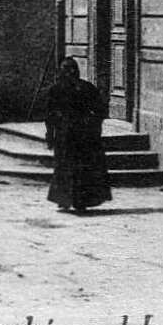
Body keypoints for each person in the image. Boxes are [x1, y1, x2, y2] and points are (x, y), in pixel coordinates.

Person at [45, 57, 112, 213]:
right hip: (73, 136)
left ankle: (71, 200)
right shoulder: (58, 90)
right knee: (71, 169)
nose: (71, 73)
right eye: (68, 70)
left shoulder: (80, 89)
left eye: (71, 69)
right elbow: (50, 116)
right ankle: (70, 200)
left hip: (75, 136)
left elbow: (100, 112)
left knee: (72, 169)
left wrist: (50, 135)